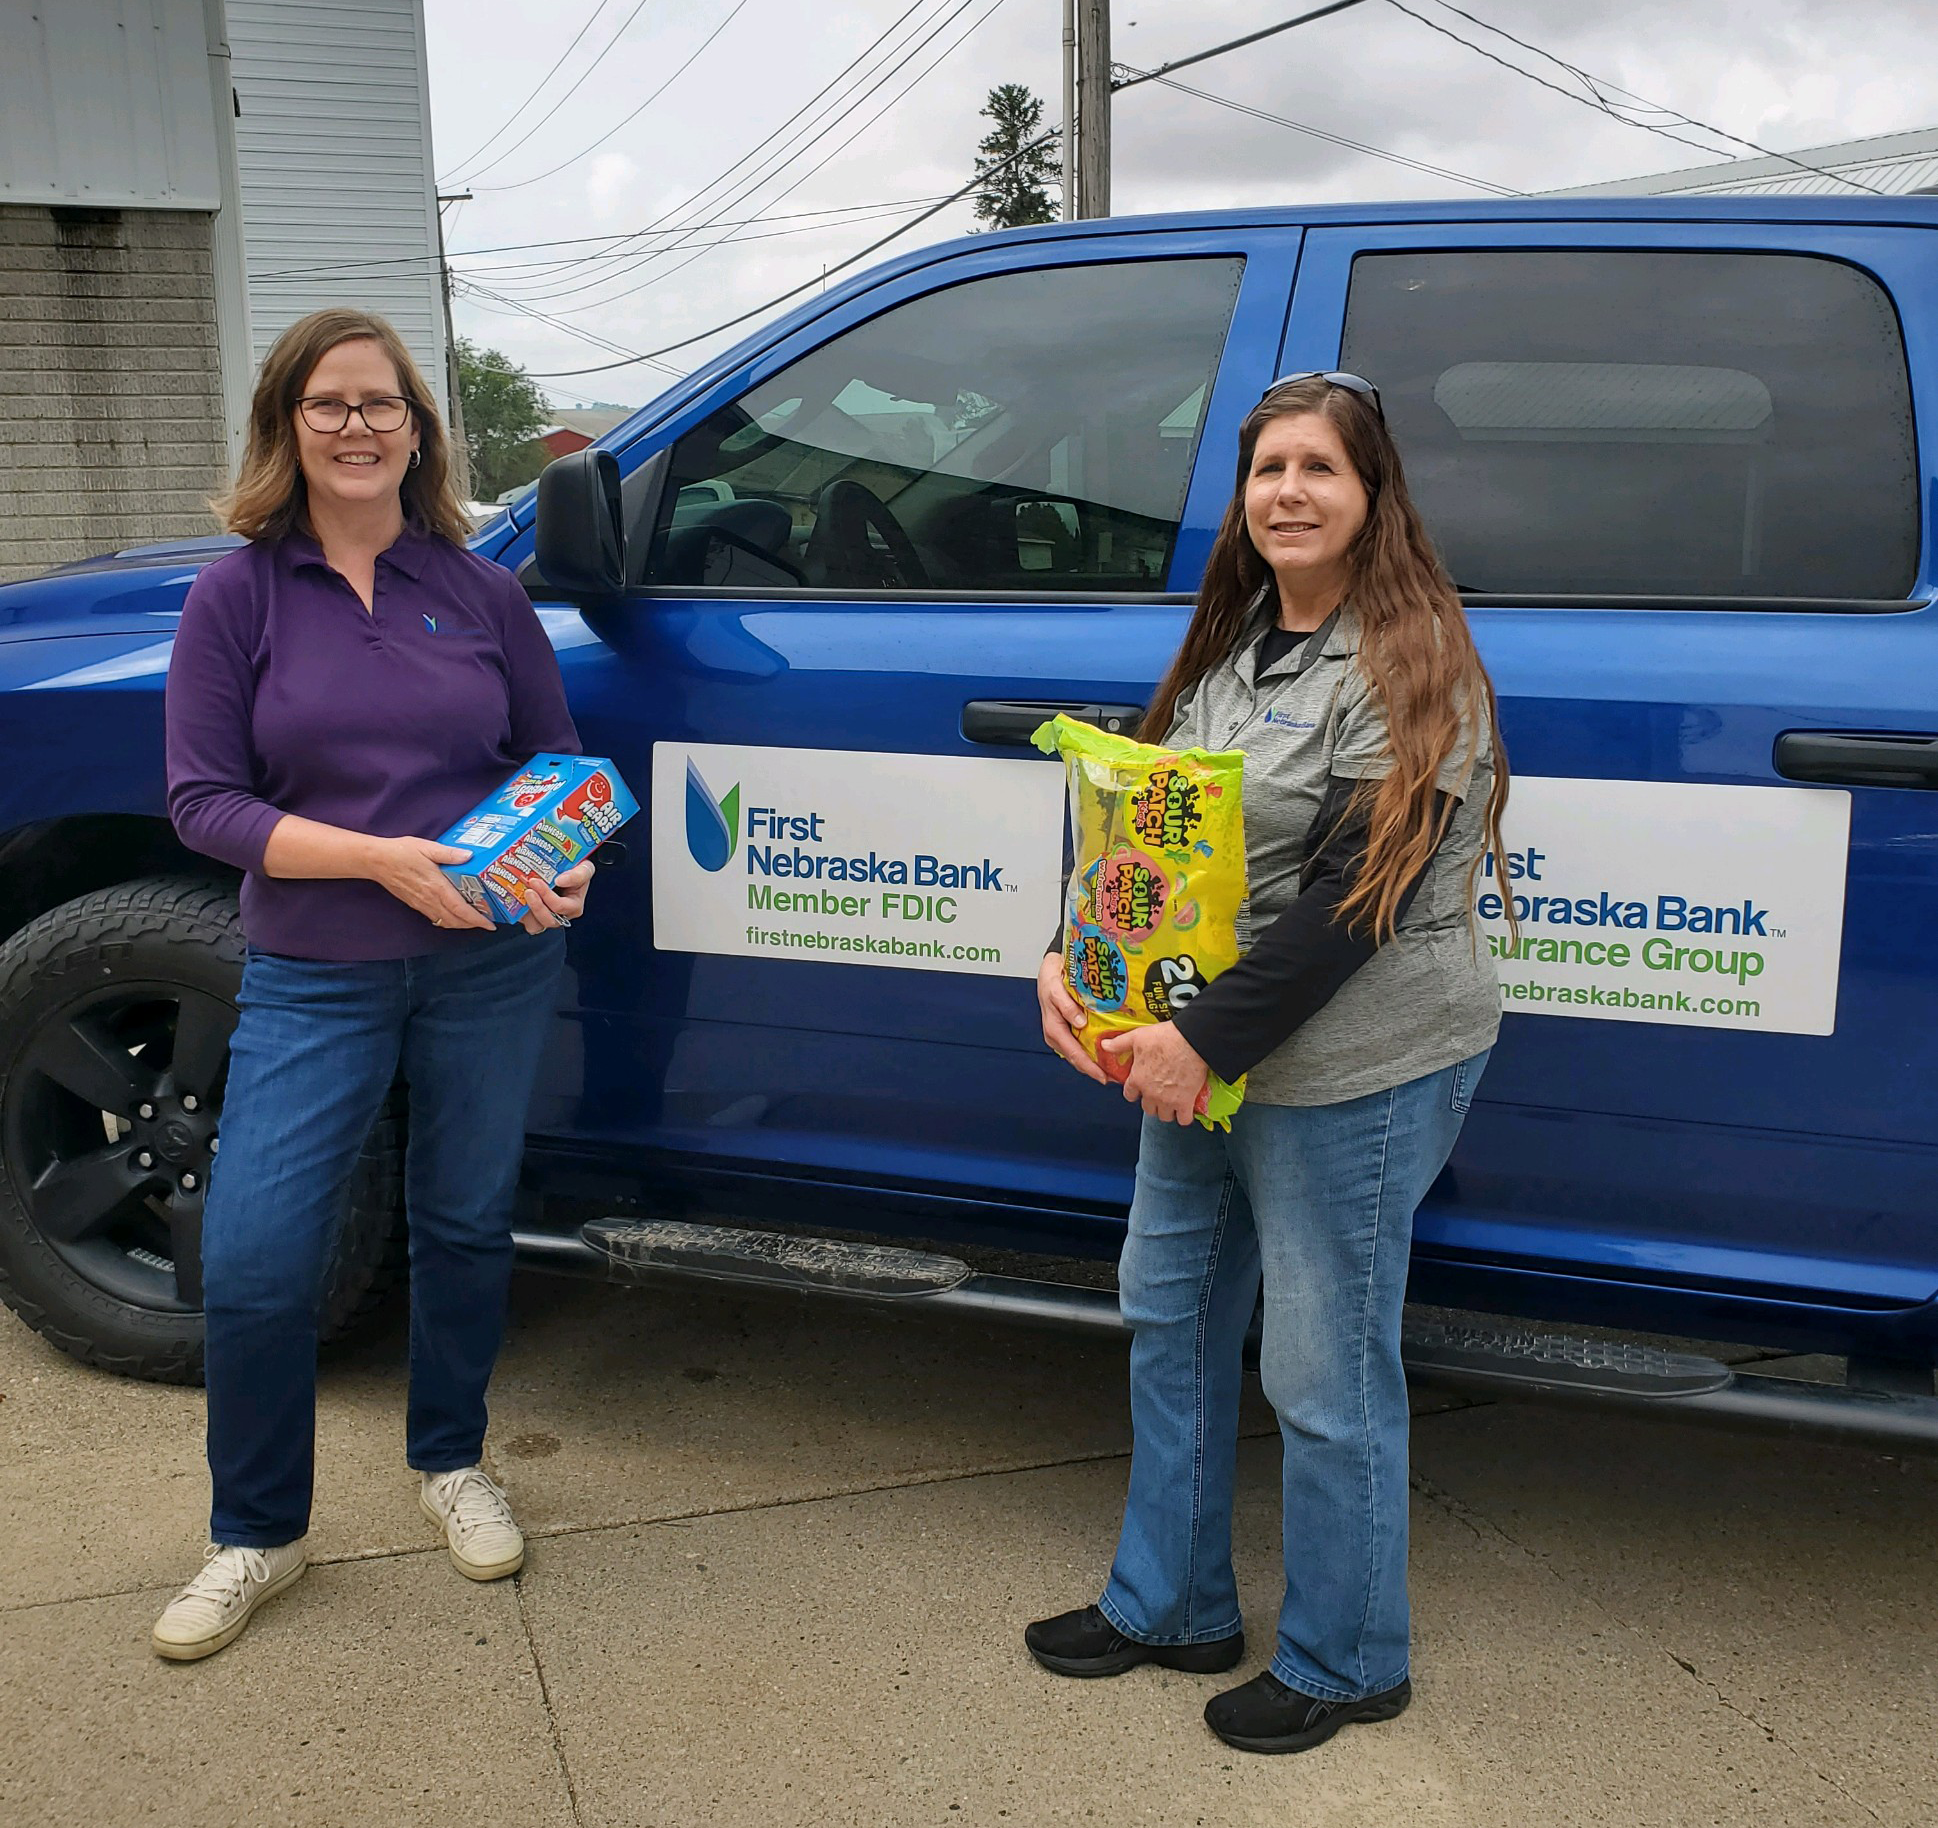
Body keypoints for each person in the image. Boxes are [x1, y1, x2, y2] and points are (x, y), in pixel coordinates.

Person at [1025, 372, 1508, 1754]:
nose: (1287, 492)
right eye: (1266, 469)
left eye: (1318, 468)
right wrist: (1069, 959)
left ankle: (1348, 1659)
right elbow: (1140, 836)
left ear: (1372, 494)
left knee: (1322, 1371)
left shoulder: (1412, 660)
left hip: (1349, 1065)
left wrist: (1200, 1040)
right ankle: (1171, 1603)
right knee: (1168, 1312)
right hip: (1197, 1051)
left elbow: (1360, 894)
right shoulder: (1232, 647)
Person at [152, 308, 592, 1660]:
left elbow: (557, 764)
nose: (358, 426)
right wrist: (379, 863)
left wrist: (566, 862)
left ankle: (451, 1460)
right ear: (287, 426)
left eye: (381, 403)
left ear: (418, 429)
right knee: (257, 1258)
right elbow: (203, 805)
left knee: (462, 1223)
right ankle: (257, 1532)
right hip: (316, 971)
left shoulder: (481, 592)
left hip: (490, 966)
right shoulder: (237, 596)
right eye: (329, 404)